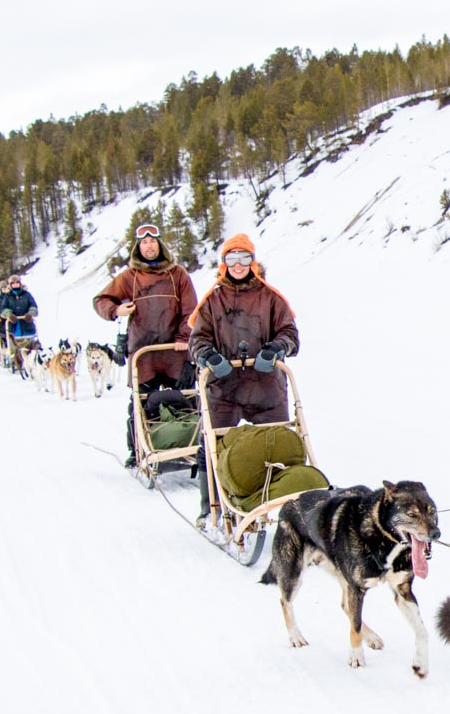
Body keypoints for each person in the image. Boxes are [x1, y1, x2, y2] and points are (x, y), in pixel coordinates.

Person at [187, 233, 300, 526]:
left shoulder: (271, 297)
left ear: (254, 262)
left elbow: (289, 333)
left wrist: (276, 348)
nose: (239, 265)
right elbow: (197, 339)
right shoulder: (212, 300)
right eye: (232, 259)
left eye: (244, 258)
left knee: (278, 444)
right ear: (224, 264)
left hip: (266, 388)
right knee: (214, 443)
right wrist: (209, 357)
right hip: (224, 388)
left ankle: (281, 505)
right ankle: (210, 507)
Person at [93, 223, 198, 467]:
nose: (149, 246)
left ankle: (189, 443)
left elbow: (191, 311)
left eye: (152, 241)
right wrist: (116, 309)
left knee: (185, 399)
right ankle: (138, 448)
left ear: (160, 245)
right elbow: (101, 300)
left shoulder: (178, 274)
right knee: (140, 403)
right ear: (138, 248)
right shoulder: (130, 277)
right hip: (143, 353)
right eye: (144, 242)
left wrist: (184, 339)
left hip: (175, 352)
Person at [0, 275, 40, 370]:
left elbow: (34, 306)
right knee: (15, 343)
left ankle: (32, 359)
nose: (15, 285)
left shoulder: (27, 295)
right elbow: (3, 309)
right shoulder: (8, 297)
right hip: (14, 325)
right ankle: (16, 361)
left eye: (17, 282)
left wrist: (30, 314)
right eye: (13, 283)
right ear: (10, 285)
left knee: (30, 342)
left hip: (27, 323)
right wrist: (9, 315)